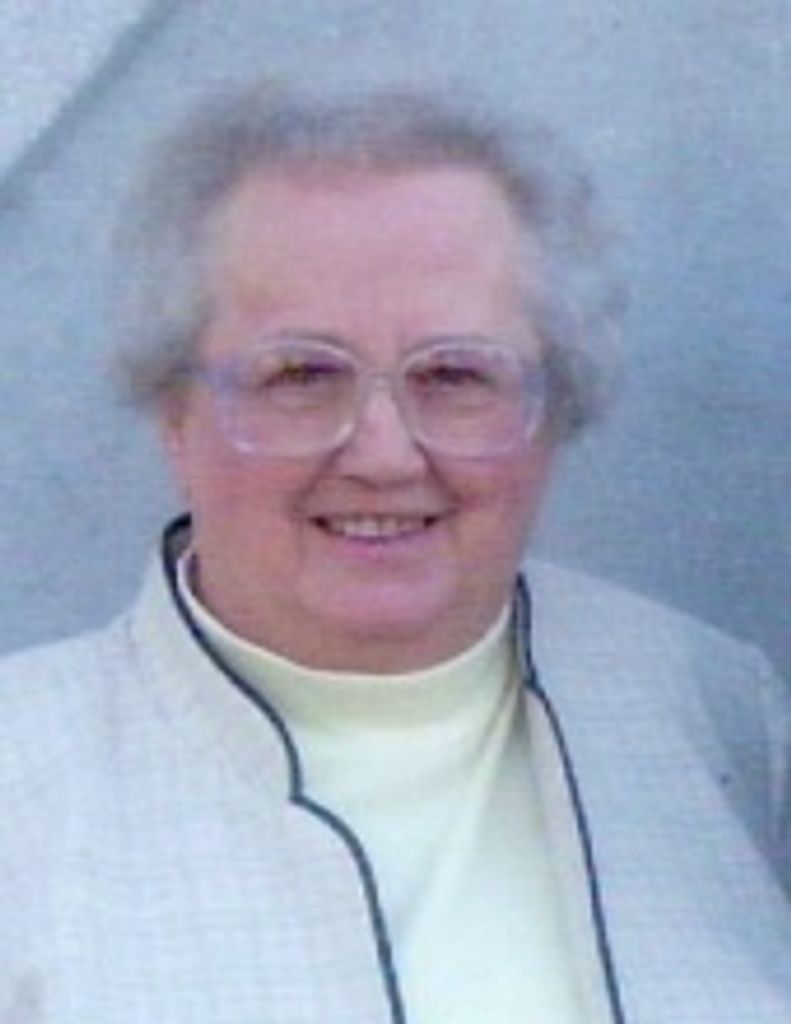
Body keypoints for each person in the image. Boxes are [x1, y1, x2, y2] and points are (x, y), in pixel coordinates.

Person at [0, 85, 789, 1024]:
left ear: (558, 408)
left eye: (456, 374)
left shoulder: (718, 710)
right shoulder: (21, 782)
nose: (383, 455)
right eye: (299, 374)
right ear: (173, 413)